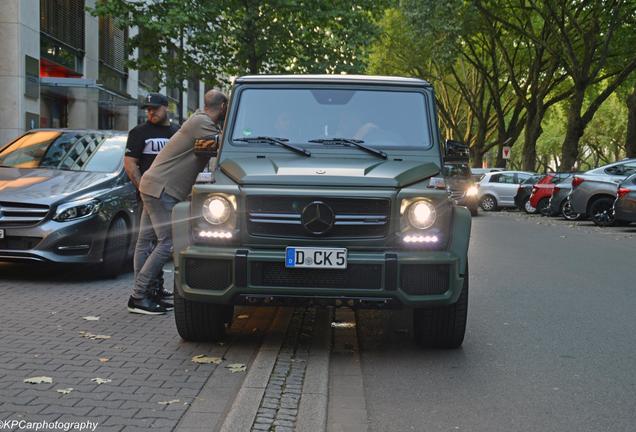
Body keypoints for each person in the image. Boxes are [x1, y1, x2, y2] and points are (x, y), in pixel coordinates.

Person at [127, 90, 228, 315]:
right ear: (223, 107)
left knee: (146, 241)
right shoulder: (202, 122)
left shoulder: (196, 121)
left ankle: (147, 291)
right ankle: (139, 296)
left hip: (152, 184)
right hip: (163, 190)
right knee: (167, 242)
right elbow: (228, 144)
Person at [125, 93, 179, 302]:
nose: (151, 112)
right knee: (148, 243)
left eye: (155, 108)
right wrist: (144, 190)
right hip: (150, 196)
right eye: (148, 108)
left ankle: (155, 288)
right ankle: (143, 289)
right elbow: (130, 165)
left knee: (155, 242)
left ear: (166, 108)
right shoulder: (139, 132)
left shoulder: (176, 133)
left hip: (170, 195)